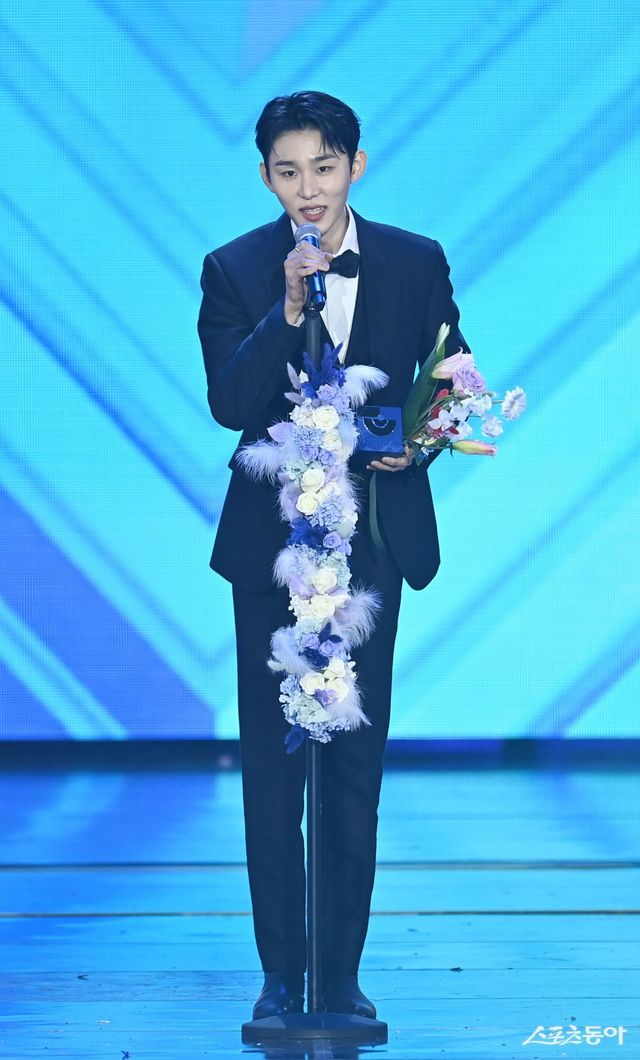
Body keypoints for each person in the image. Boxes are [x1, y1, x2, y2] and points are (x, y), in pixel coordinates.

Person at [197, 91, 470, 1021]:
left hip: (373, 543)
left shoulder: (415, 260)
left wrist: (417, 445)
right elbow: (229, 403)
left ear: (356, 164)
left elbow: (453, 379)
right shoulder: (235, 268)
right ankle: (281, 978)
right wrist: (285, 308)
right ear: (266, 177)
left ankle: (342, 976)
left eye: (323, 166)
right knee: (275, 769)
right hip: (271, 549)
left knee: (354, 763)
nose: (307, 188)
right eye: (288, 171)